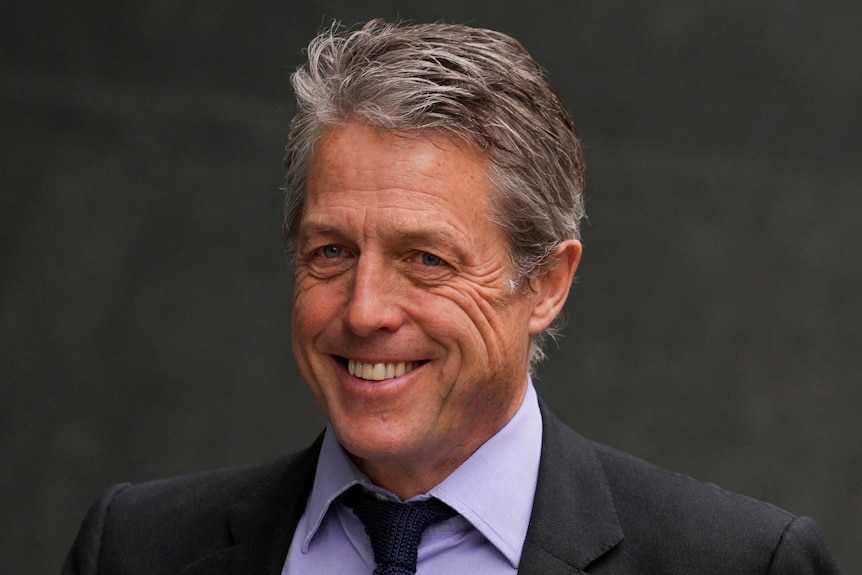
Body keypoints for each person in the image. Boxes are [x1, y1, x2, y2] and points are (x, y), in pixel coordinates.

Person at [63, 19, 841, 575]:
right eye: (331, 251)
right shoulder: (136, 549)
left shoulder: (737, 562)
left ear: (545, 283)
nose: (365, 309)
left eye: (426, 259)